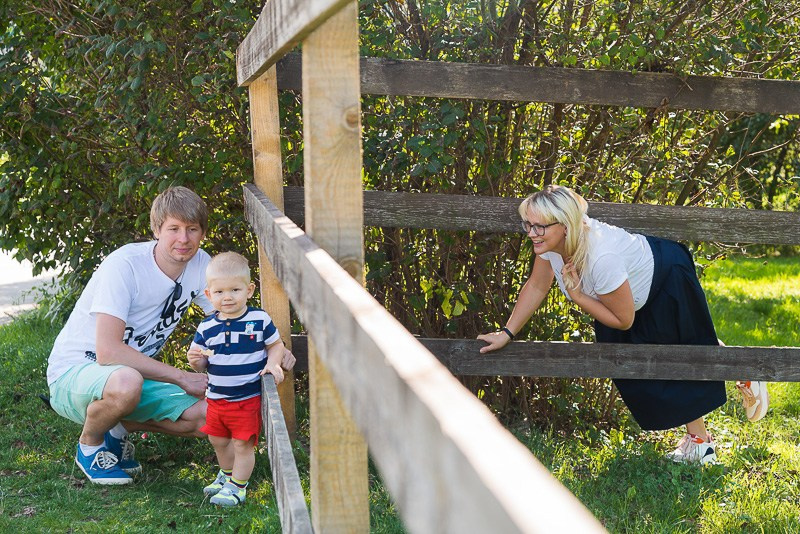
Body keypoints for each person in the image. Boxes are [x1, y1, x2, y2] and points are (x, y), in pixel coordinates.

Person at [477, 184, 768, 464]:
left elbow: (624, 320)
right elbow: (538, 286)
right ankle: (704, 440)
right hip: (627, 296)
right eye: (527, 224)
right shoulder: (550, 245)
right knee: (650, 365)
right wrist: (507, 332)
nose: (531, 233)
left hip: (666, 279)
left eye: (538, 226)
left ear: (564, 225)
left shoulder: (602, 257)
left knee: (678, 356)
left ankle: (733, 385)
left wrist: (577, 296)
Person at [46, 186, 295, 485]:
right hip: (75, 372)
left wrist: (272, 348)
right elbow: (108, 352)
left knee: (210, 412)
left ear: (202, 232)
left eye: (192, 229)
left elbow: (230, 318)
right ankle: (90, 445)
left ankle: (116, 429)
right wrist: (180, 376)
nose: (183, 239)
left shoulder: (202, 264)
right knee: (126, 382)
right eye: (173, 229)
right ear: (156, 229)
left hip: (129, 375)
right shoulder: (124, 266)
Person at [187, 251, 287, 507]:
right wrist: (196, 361)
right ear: (208, 295)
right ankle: (227, 475)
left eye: (234, 289)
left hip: (245, 398)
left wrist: (272, 363)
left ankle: (238, 488)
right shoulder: (206, 327)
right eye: (219, 292)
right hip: (217, 399)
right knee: (218, 440)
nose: (227, 297)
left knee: (242, 444)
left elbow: (276, 345)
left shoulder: (258, 319)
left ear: (249, 290)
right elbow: (202, 362)